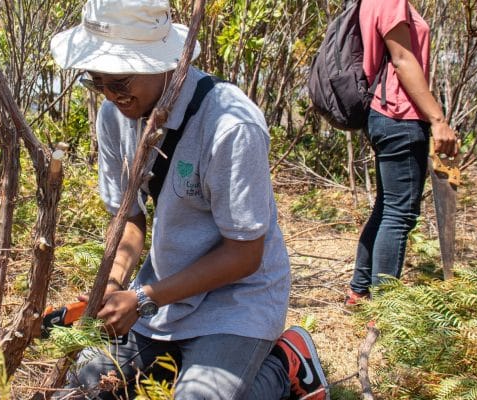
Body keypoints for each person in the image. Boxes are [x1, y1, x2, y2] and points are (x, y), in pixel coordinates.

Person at [49, 0, 329, 399]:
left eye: (121, 83)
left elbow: (245, 254)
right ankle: (179, 362)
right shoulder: (114, 117)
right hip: (162, 294)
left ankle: (286, 364)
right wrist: (116, 283)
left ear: (159, 63)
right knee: (87, 387)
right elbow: (129, 218)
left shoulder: (231, 125)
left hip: (236, 301)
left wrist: (143, 300)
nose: (111, 96)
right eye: (98, 82)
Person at [346, 0, 459, 305]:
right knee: (399, 213)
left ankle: (360, 291)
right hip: (400, 115)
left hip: (383, 113)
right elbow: (402, 58)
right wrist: (438, 119)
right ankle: (385, 309)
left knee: (387, 207)